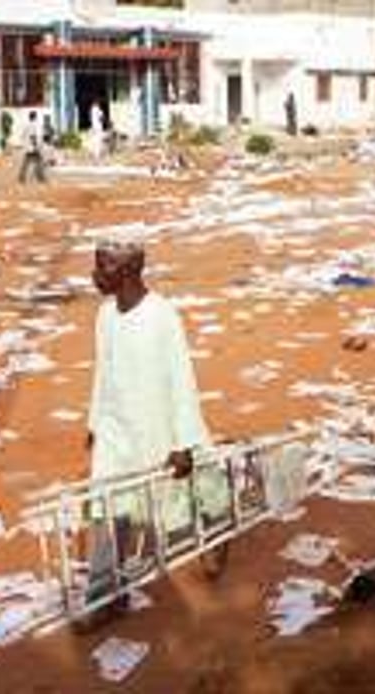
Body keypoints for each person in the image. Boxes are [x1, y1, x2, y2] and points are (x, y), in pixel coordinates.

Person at [83, 232, 228, 613]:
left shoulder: (161, 316)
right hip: (116, 429)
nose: (95, 273)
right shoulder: (104, 315)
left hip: (158, 426)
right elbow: (104, 369)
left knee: (177, 499)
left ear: (130, 269)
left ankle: (216, 527)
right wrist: (95, 421)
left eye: (104, 265)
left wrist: (182, 442)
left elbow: (182, 380)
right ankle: (104, 595)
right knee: (107, 502)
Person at [19, 111, 47, 184]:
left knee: (26, 163)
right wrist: (38, 145)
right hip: (34, 146)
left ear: (30, 117)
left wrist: (25, 144)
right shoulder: (36, 125)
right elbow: (36, 136)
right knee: (39, 162)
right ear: (35, 117)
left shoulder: (26, 125)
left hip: (28, 147)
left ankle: (22, 178)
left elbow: (22, 136)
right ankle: (41, 178)